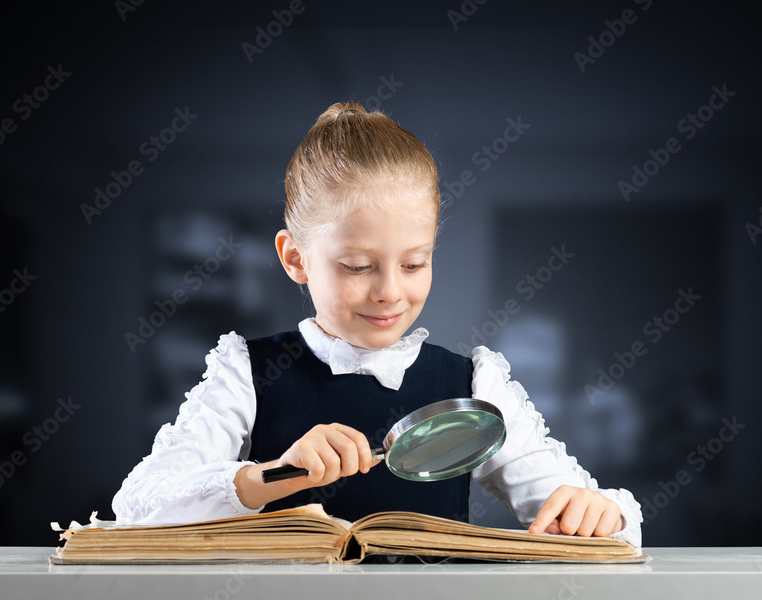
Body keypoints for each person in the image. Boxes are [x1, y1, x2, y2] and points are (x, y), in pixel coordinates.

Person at [112, 102, 643, 548]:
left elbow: (601, 519)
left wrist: (600, 514)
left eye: (414, 263)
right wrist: (271, 474)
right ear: (295, 258)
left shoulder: (473, 387)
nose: (390, 291)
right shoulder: (246, 373)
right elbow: (139, 506)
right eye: (358, 266)